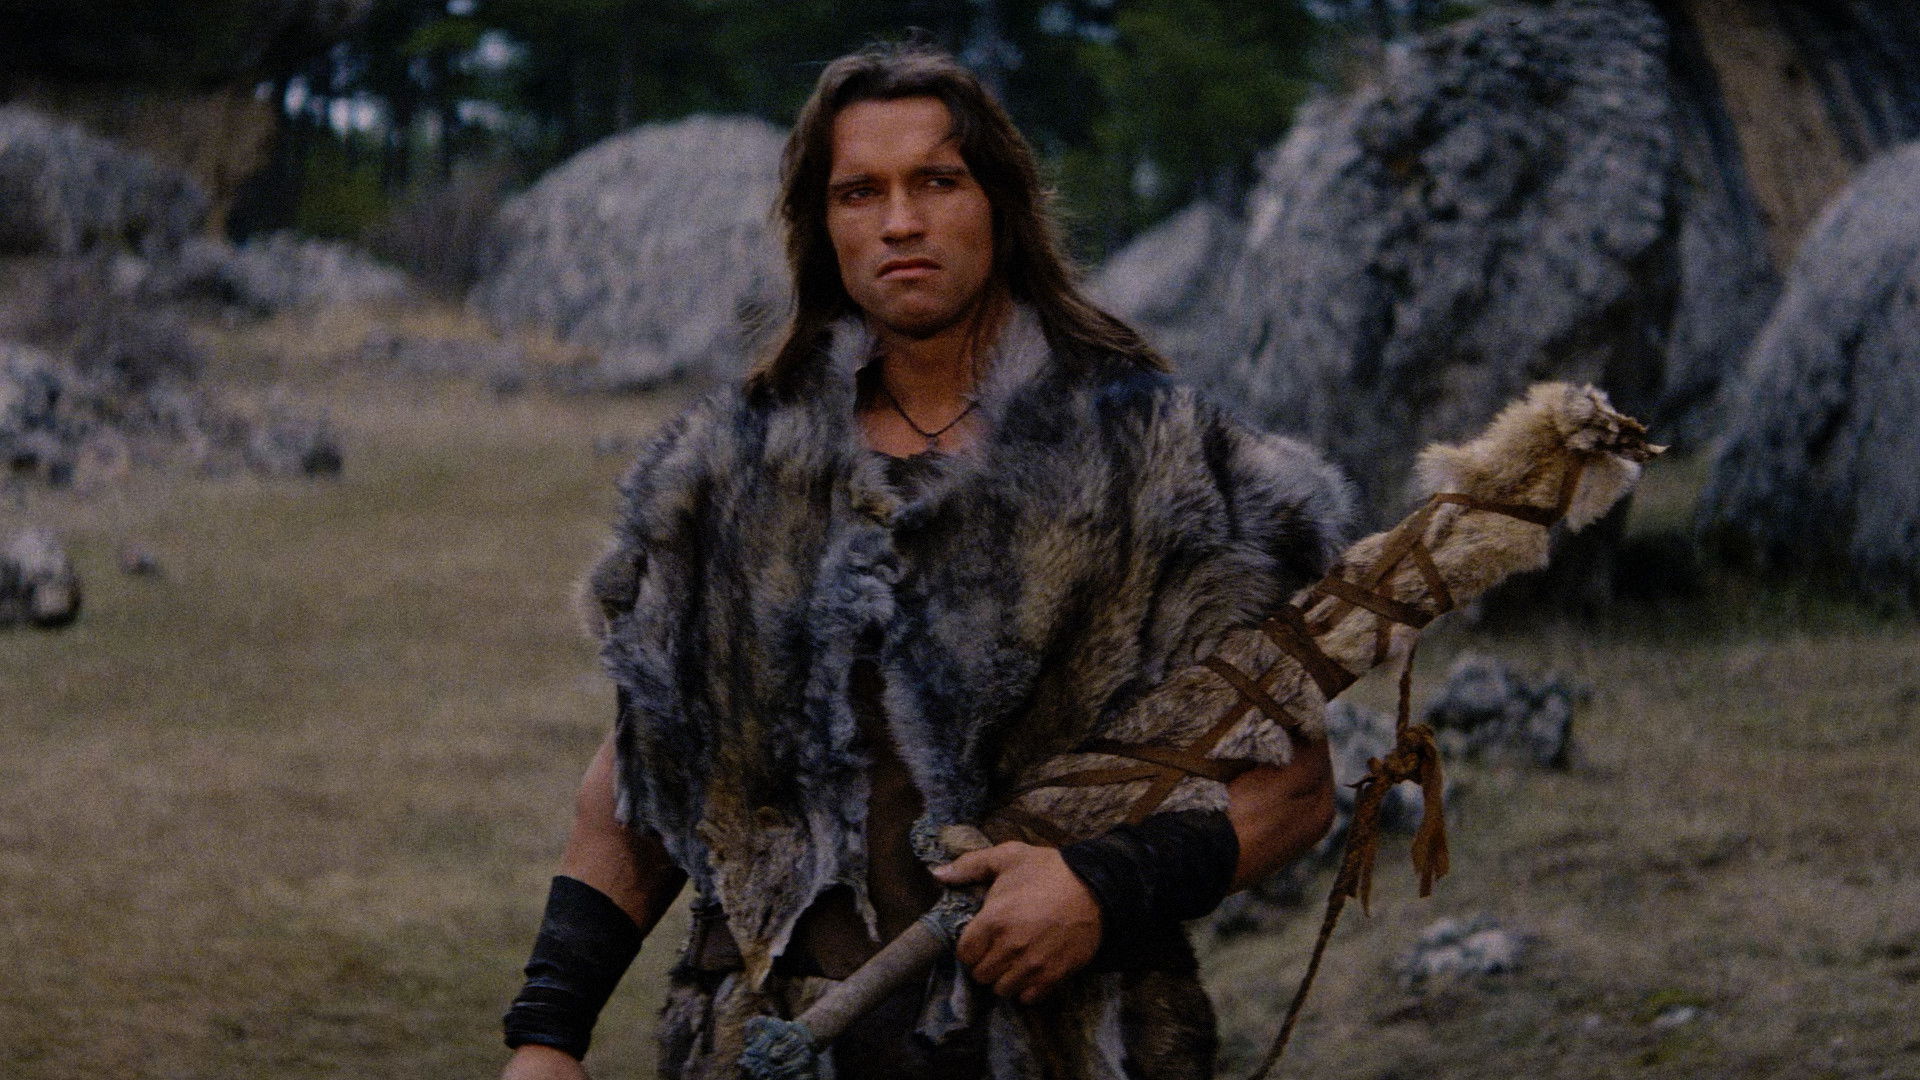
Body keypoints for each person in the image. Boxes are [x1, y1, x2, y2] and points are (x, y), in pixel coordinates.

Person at [502, 42, 1349, 1080]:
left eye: (937, 182)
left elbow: (1295, 790)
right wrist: (548, 1032)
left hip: (1068, 1044)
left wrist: (1102, 887)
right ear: (822, 226)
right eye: (860, 192)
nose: (900, 221)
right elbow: (641, 780)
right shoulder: (728, 474)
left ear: (1001, 203)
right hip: (776, 1050)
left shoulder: (1157, 463)